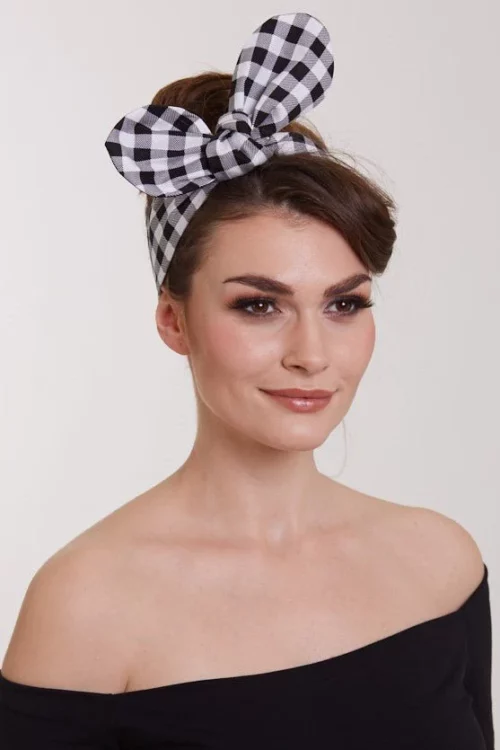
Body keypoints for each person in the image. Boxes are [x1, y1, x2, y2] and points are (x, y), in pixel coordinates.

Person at [0, 11, 494, 750]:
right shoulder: (86, 606)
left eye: (344, 304)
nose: (311, 354)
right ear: (174, 320)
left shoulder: (442, 563)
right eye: (259, 305)